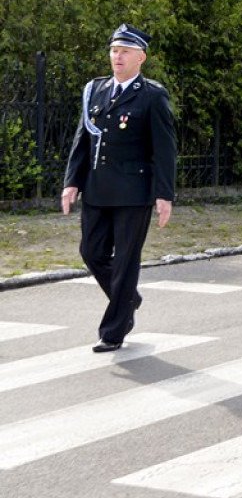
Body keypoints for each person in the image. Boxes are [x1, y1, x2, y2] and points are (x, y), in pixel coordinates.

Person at [62, 24, 176, 353]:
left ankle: (113, 331)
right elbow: (82, 139)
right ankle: (128, 299)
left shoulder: (152, 95)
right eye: (114, 50)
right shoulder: (95, 90)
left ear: (141, 58)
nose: (117, 56)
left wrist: (164, 194)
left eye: (125, 51)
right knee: (91, 252)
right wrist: (72, 182)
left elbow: (164, 149)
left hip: (133, 191)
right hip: (97, 188)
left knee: (126, 261)